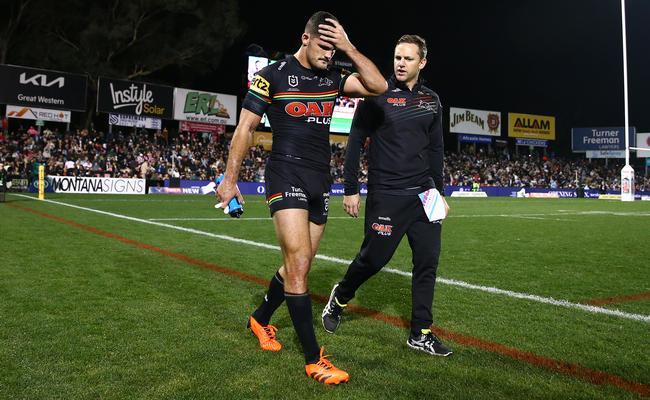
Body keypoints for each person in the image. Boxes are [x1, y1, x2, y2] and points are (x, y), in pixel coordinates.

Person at [216, 11, 386, 385]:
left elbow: (378, 86)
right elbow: (245, 127)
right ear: (305, 38)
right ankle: (314, 360)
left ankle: (259, 320)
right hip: (285, 173)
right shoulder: (271, 75)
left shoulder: (333, 76)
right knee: (296, 265)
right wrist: (230, 181)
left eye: (333, 47)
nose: (329, 54)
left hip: (319, 180)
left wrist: (349, 47)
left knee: (302, 264)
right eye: (324, 46)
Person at [321, 34, 453, 357]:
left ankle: (420, 333)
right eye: (397, 57)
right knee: (373, 259)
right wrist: (350, 188)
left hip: (424, 196)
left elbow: (436, 150)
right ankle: (340, 295)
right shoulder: (377, 93)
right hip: (387, 195)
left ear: (422, 62)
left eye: (408, 59)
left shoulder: (432, 101)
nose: (400, 63)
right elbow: (355, 140)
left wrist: (439, 192)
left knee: (427, 262)